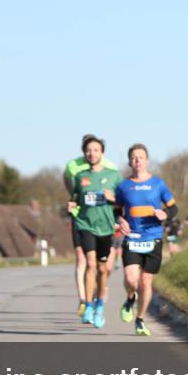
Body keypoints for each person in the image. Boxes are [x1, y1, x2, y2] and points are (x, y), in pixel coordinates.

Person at [115, 144, 179, 337]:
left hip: (153, 237)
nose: (137, 161)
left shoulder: (158, 184)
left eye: (141, 157)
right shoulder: (123, 186)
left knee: (145, 281)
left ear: (147, 161)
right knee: (131, 279)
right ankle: (130, 297)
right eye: (134, 157)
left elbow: (174, 209)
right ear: (129, 162)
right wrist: (120, 219)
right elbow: (116, 210)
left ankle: (140, 319)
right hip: (132, 237)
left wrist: (164, 213)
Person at [63, 134, 120, 318]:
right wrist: (71, 206)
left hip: (106, 227)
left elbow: (123, 202)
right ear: (84, 154)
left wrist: (114, 199)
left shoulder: (114, 175)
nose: (92, 153)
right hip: (85, 225)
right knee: (90, 264)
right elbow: (75, 200)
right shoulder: (80, 177)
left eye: (95, 150)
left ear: (102, 152)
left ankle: (100, 304)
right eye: (88, 150)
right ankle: (88, 304)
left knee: (103, 269)